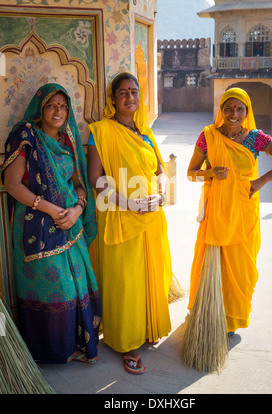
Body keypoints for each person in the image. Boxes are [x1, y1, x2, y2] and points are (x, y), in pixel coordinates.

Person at [1, 83, 101, 364]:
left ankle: (75, 346)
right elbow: (11, 185)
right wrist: (54, 210)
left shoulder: (68, 143)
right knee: (55, 288)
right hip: (37, 226)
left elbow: (79, 185)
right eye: (51, 105)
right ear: (40, 108)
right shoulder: (26, 137)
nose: (58, 111)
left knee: (76, 285)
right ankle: (51, 351)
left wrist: (77, 208)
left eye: (63, 106)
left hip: (69, 222)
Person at [187, 87, 272, 334]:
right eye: (228, 107)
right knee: (212, 265)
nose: (233, 113)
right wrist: (210, 172)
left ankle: (232, 318)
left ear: (247, 111)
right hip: (216, 212)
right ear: (221, 110)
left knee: (241, 268)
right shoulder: (208, 136)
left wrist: (261, 181)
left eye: (239, 108)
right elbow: (190, 174)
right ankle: (209, 313)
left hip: (244, 213)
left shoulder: (256, 138)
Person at [87, 72, 172, 374]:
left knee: (148, 276)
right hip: (120, 216)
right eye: (122, 92)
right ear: (113, 99)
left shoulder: (146, 132)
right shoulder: (101, 131)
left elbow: (160, 170)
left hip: (151, 217)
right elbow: (96, 180)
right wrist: (130, 203)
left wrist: (161, 194)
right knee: (125, 282)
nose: (130, 97)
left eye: (134, 91)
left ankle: (146, 327)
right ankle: (127, 342)